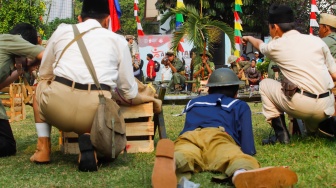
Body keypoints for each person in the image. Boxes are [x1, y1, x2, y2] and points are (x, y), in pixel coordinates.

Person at [30, 0, 141, 171]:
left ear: (80, 18)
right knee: (104, 99)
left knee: (40, 85)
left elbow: (45, 72)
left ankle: (43, 148)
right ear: (107, 20)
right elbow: (128, 90)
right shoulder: (118, 41)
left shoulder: (62, 30)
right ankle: (89, 140)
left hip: (58, 109)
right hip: (95, 115)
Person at [151, 68, 298, 187]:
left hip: (190, 136)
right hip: (219, 137)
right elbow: (248, 147)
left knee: (184, 153)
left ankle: (172, 163)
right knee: (235, 158)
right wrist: (247, 154)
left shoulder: (193, 103)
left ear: (208, 90)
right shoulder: (239, 105)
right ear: (236, 93)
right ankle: (241, 173)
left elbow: (188, 126)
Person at [242, 4, 336, 144]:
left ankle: (281, 136)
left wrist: (249, 37)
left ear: (275, 27)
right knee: (313, 129)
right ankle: (324, 127)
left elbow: (259, 43)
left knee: (266, 84)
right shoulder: (316, 41)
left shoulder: (277, 45)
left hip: (303, 105)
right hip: (327, 106)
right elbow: (334, 75)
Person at [0, 23, 44, 157]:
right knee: (6, 146)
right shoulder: (14, 39)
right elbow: (44, 54)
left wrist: (21, 70)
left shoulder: (6, 45)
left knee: (7, 145)